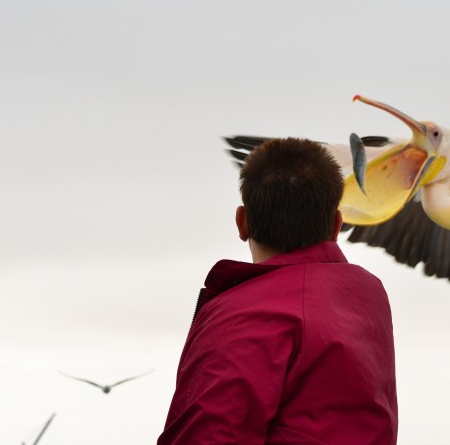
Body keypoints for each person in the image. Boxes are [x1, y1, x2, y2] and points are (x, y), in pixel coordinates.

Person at [158, 137, 399, 444]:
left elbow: (208, 435)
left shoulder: (243, 312)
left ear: (241, 222)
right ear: (337, 225)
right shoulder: (368, 295)